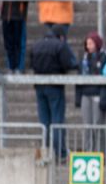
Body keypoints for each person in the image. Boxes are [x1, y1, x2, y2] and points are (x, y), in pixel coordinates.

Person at [29, 24, 77, 159]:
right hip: (55, 87)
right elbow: (69, 63)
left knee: (44, 121)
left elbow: (31, 64)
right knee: (57, 120)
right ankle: (59, 152)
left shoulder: (36, 45)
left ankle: (46, 150)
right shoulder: (60, 45)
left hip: (39, 86)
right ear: (61, 36)